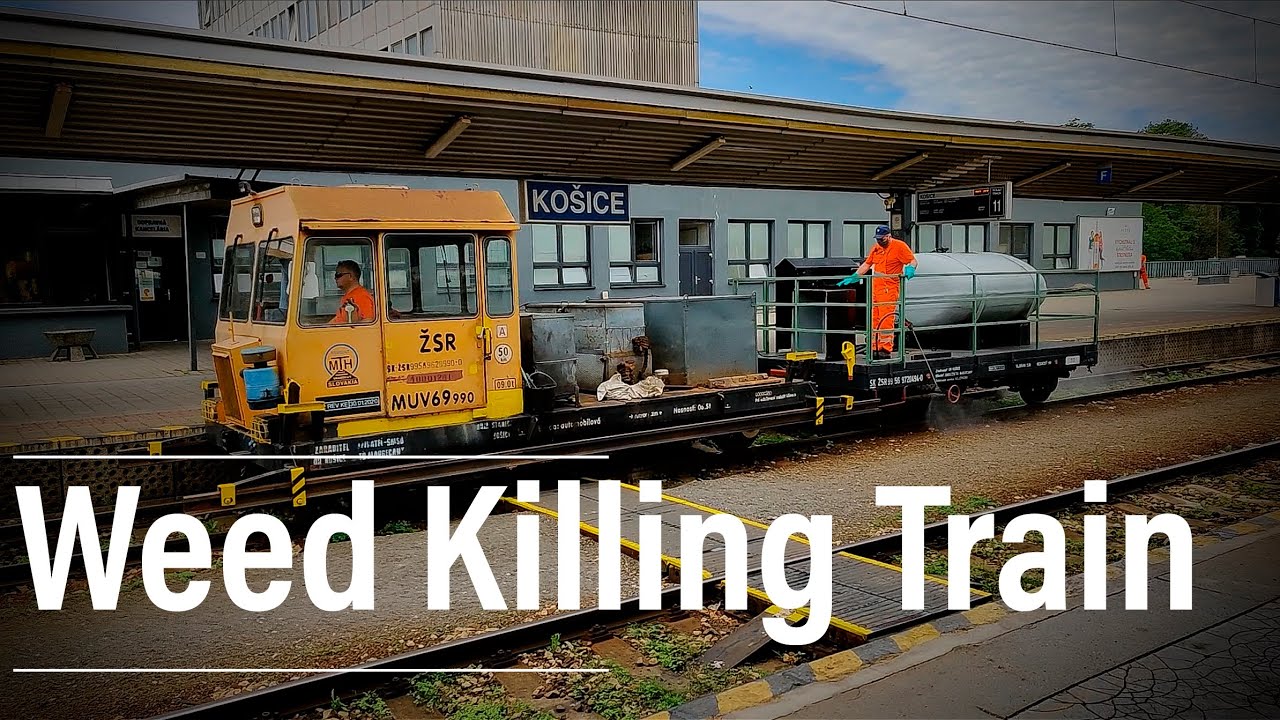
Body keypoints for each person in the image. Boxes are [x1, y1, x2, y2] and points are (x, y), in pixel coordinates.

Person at [836, 225, 917, 359]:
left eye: (882, 239)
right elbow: (867, 264)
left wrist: (910, 269)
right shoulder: (876, 248)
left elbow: (912, 261)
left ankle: (885, 349)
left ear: (889, 236)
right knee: (874, 318)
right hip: (876, 288)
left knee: (886, 318)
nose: (880, 241)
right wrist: (855, 276)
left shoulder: (899, 246)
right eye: (878, 239)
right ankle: (874, 346)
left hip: (889, 288)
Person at [330, 259, 375, 324]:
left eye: (338, 275)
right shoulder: (348, 296)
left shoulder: (361, 296)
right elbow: (338, 319)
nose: (335, 278)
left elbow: (368, 321)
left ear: (350, 276)